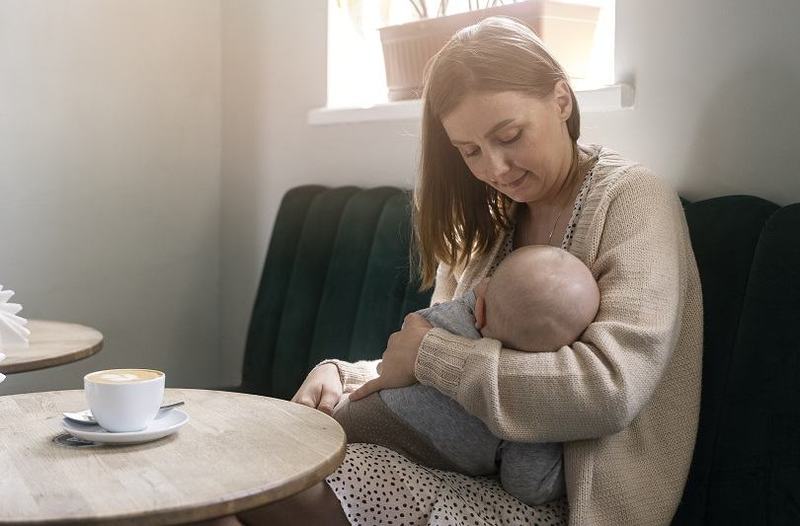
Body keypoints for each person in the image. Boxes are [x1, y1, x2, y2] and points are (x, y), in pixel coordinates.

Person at [204, 14, 702, 526]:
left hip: (563, 501)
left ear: (561, 99)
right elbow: (439, 349)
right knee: (228, 491)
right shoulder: (493, 217)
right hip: (459, 464)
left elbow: (607, 390)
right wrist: (342, 373)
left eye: (509, 135)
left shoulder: (633, 200)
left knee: (273, 492)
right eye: (470, 151)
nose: (496, 169)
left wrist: (432, 357)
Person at [332, 244, 600, 507]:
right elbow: (529, 487)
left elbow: (406, 338)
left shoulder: (452, 318)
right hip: (390, 455)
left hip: (354, 417)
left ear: (480, 309)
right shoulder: (525, 409)